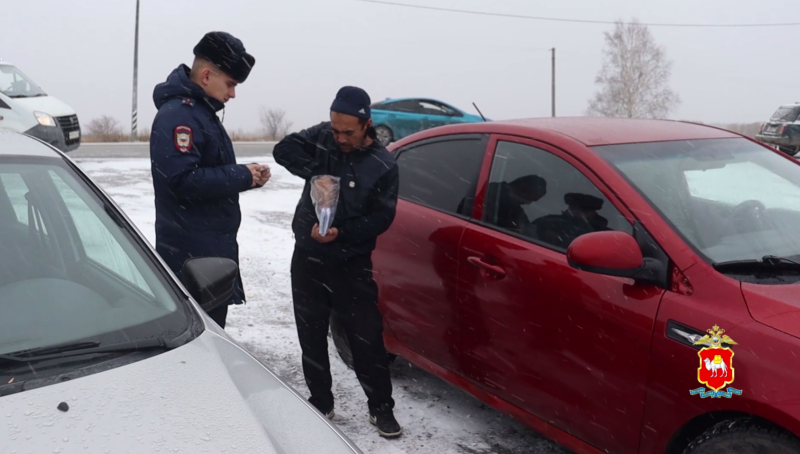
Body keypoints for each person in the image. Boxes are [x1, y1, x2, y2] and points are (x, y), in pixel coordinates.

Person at [273, 86, 402, 439]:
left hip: (351, 263)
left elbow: (382, 219)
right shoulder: (323, 138)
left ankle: (381, 408)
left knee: (366, 338)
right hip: (308, 258)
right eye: (335, 129)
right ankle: (321, 400)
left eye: (348, 131)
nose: (340, 137)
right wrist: (315, 172)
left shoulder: (383, 164)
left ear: (366, 125)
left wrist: (341, 233)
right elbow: (282, 150)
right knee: (310, 333)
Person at [149, 31, 270, 329]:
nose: (232, 94)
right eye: (230, 84)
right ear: (205, 75)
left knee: (208, 340)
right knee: (199, 345)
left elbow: (205, 170)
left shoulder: (199, 113)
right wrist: (242, 175)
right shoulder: (180, 116)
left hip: (207, 252)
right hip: (193, 258)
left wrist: (246, 174)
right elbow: (180, 180)